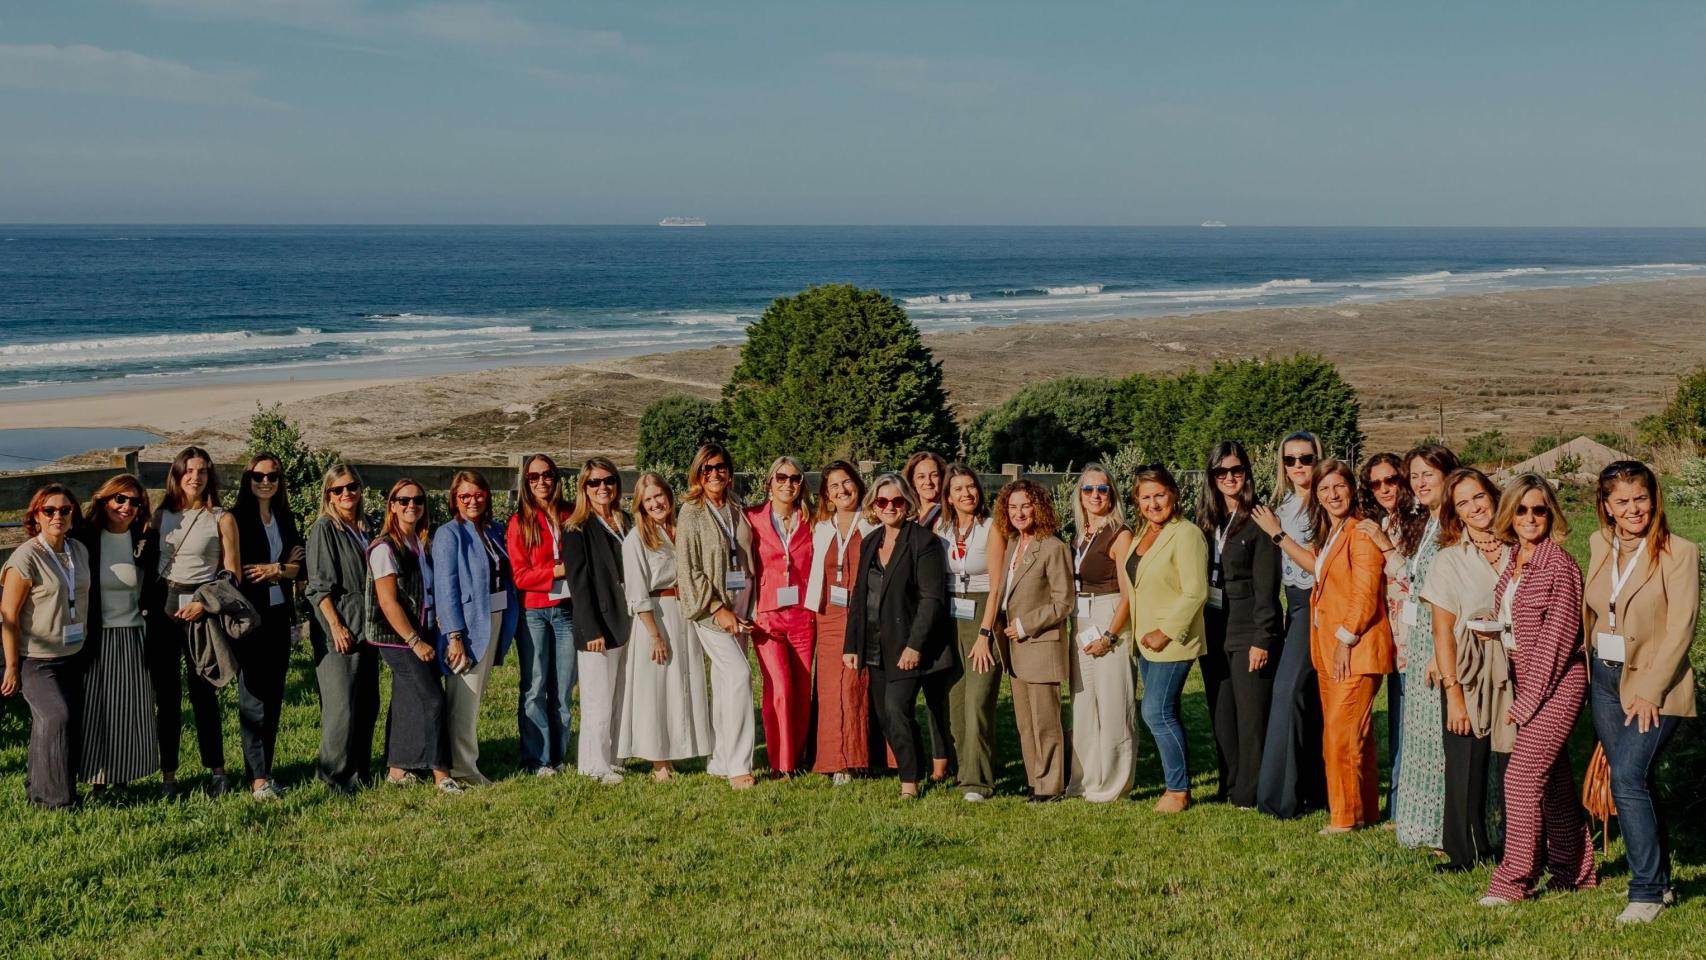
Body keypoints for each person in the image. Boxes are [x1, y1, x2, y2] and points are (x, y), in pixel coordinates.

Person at [1582, 461, 1699, 924]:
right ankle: (1662, 882)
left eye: (1641, 498)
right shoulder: (1599, 544)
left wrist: (1650, 691)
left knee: (1628, 778)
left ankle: (1645, 891)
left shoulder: (1679, 552)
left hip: (1655, 686)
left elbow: (1681, 629)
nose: (1634, 509)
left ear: (1655, 498)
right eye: (1623, 501)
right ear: (1606, 506)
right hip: (1605, 680)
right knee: (1636, 782)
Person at [1481, 474, 1595, 906]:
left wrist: (1528, 702)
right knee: (1555, 783)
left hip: (1558, 684)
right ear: (1509, 513)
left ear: (1551, 514)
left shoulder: (1559, 565)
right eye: (1522, 509)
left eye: (1539, 510)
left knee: (1521, 777)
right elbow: (1517, 620)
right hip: (1524, 677)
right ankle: (1574, 872)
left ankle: (1513, 882)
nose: (1530, 518)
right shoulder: (1515, 557)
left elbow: (1558, 641)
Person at [1418, 467, 1513, 872]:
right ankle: (1464, 851)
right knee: (1465, 764)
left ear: (1493, 495)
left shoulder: (1521, 547)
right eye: (1463, 503)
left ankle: (1520, 844)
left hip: (1516, 665)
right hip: (1470, 669)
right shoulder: (1449, 560)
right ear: (1454, 512)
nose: (1474, 507)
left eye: (1479, 497)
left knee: (1515, 762)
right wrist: (1453, 694)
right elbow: (1442, 631)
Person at [843, 474, 958, 799]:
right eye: (882, 501)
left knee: (896, 709)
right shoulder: (870, 542)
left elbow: (931, 599)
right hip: (874, 644)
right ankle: (916, 765)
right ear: (874, 505)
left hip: (907, 644)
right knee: (885, 715)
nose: (889, 506)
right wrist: (852, 644)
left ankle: (910, 781)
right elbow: (859, 595)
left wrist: (914, 645)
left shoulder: (924, 542)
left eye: (896, 501)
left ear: (907, 504)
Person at [1369, 443, 1459, 850]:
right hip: (1421, 638)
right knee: (1422, 738)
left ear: (1448, 476)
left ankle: (1447, 827)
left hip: (1439, 640)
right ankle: (1425, 824)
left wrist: (1443, 652)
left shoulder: (1451, 527)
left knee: (1440, 740)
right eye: (1415, 475)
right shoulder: (1430, 524)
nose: (1420, 483)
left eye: (1429, 475)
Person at [1299, 460, 1394, 833]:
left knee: (1339, 736)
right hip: (1327, 648)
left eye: (1339, 486)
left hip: (1354, 648)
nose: (1332, 494)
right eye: (1324, 489)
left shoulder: (1361, 532)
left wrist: (1345, 639)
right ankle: (1365, 810)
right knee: (1357, 735)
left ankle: (1344, 818)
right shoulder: (1331, 533)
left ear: (1353, 489)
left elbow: (1365, 594)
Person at [149, 446, 242, 798]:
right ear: (177, 474)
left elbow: (232, 572)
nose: (195, 477)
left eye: (202, 471)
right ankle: (168, 777)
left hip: (202, 609)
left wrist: (205, 603)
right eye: (188, 470)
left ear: (209, 476)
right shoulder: (162, 515)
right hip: (165, 608)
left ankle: (217, 772)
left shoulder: (221, 517)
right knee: (167, 697)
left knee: (204, 693)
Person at [1196, 443, 1281, 810]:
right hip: (1214, 625)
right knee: (1222, 712)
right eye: (1221, 472)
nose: (1229, 477)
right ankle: (1228, 784)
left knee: (1251, 715)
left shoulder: (1259, 518)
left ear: (1247, 473)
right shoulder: (1205, 519)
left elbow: (1267, 585)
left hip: (1249, 626)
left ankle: (1251, 791)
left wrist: (1263, 637)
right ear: (1211, 477)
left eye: (1237, 470)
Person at [1250, 430, 1328, 818]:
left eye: (1306, 458)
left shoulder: (1325, 505)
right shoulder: (1283, 505)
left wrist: (1277, 534)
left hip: (1316, 605)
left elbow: (1319, 566)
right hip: (1293, 606)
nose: (1298, 466)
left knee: (1288, 692)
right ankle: (1312, 789)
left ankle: (1279, 798)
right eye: (1290, 459)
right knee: (1305, 698)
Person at [1, 485, 93, 808]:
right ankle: (56, 801)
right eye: (49, 510)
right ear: (36, 516)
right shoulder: (25, 557)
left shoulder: (78, 551)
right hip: (36, 659)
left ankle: (39, 788)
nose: (57, 516)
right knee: (56, 716)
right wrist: (12, 666)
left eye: (65, 510)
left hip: (73, 654)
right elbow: (8, 614)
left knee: (63, 722)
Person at [365, 479, 459, 794]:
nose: (411, 505)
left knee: (407, 698)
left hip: (424, 629)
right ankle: (441, 773)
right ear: (391, 505)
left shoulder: (420, 542)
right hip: (398, 637)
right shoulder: (384, 548)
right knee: (433, 700)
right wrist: (414, 641)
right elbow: (387, 602)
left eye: (418, 500)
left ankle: (397, 769)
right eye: (403, 500)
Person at [1125, 465, 1209, 812]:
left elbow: (1195, 591)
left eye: (1160, 494)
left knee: (1156, 712)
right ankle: (1174, 783)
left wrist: (1166, 632)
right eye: (1146, 497)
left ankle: (1178, 790)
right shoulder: (1142, 532)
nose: (1154, 503)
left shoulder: (1187, 534)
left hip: (1171, 640)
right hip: (1144, 641)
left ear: (1173, 494)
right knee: (1165, 711)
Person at [618, 472, 711, 781]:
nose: (655, 503)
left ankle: (683, 747)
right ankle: (659, 762)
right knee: (656, 689)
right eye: (648, 500)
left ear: (668, 496)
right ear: (640, 505)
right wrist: (654, 634)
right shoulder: (637, 539)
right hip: (655, 617)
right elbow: (636, 591)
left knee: (682, 683)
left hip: (685, 613)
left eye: (658, 495)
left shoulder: (681, 530)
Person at [676, 443, 758, 789]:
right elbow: (689, 568)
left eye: (720, 467)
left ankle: (721, 759)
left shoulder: (736, 505)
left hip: (741, 603)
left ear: (729, 471)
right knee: (739, 676)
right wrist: (716, 608)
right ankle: (740, 766)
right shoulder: (691, 512)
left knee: (726, 684)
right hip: (711, 609)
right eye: (706, 468)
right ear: (697, 473)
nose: (714, 474)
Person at [431, 469, 518, 787]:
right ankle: (463, 768)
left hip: (494, 618)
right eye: (464, 495)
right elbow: (445, 589)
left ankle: (467, 760)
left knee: (475, 695)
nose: (472, 500)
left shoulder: (493, 530)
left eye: (478, 494)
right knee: (463, 699)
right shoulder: (448, 534)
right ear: (454, 499)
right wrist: (453, 636)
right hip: (467, 627)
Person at [74, 475, 160, 792]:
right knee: (95, 711)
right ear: (104, 500)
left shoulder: (144, 540)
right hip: (96, 636)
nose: (126, 507)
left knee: (128, 712)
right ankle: (97, 779)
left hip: (133, 636)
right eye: (119, 499)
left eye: (134, 502)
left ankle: (123, 777)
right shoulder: (84, 538)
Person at [229, 454, 304, 801]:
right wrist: (281, 569)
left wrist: (277, 570)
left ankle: (265, 771)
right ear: (248, 479)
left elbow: (299, 562)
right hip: (250, 616)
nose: (265, 482)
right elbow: (236, 569)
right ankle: (257, 778)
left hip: (278, 615)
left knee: (273, 696)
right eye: (258, 476)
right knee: (254, 696)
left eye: (272, 477)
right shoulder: (236, 518)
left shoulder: (285, 517)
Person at [994, 477, 1074, 802]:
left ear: (1038, 507)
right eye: (1013, 507)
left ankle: (1051, 786)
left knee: (1045, 723)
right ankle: (1034, 780)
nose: (1019, 512)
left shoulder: (1053, 547)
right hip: (1015, 649)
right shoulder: (1013, 544)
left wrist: (1025, 625)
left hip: (1039, 644)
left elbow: (1063, 602)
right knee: (1025, 724)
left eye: (1025, 505)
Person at [306, 462, 379, 795]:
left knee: (367, 703)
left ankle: (359, 771)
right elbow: (318, 586)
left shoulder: (366, 527)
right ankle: (333, 778)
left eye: (352, 487)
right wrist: (335, 625)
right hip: (341, 626)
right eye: (338, 489)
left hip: (368, 627)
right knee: (341, 707)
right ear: (329, 495)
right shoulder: (325, 529)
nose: (346, 493)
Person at [1065, 463, 1136, 803]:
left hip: (1109, 615)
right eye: (1089, 489)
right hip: (1080, 619)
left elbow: (1128, 594)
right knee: (1083, 705)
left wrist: (1110, 635)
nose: (1095, 495)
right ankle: (1084, 781)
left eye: (1102, 489)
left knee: (1113, 704)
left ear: (1112, 494)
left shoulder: (1120, 534)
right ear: (1079, 495)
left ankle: (1114, 784)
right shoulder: (1078, 535)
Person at [937, 463, 1007, 802]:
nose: (967, 493)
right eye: (958, 489)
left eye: (971, 487)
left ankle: (978, 783)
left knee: (978, 702)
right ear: (948, 497)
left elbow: (996, 588)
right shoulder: (942, 528)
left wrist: (984, 634)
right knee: (957, 704)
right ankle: (966, 772)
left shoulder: (992, 528)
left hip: (982, 614)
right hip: (951, 616)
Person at [505, 453, 577, 777]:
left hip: (566, 611)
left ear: (556, 478)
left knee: (563, 687)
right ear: (526, 482)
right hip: (534, 612)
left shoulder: (571, 514)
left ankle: (558, 755)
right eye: (533, 477)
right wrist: (557, 571)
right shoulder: (519, 522)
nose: (541, 482)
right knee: (535, 686)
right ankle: (536, 759)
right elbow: (520, 576)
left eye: (546, 475)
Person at [806, 461, 877, 786]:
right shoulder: (821, 527)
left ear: (858, 485)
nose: (842, 490)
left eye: (846, 482)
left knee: (857, 683)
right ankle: (837, 761)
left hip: (864, 613)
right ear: (826, 494)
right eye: (834, 486)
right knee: (831, 687)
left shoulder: (873, 523)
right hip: (829, 615)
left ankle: (862, 756)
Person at [1358, 452, 1419, 823]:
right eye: (1375, 483)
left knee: (1412, 728)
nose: (1383, 489)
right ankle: (1397, 806)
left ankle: (1403, 809)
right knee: (1398, 724)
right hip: (1389, 640)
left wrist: (1385, 544)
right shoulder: (1379, 521)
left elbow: (1415, 579)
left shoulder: (1418, 522)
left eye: (1390, 480)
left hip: (1415, 640)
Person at [564, 457, 632, 785]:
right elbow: (578, 585)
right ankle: (593, 765)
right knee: (597, 699)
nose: (602, 487)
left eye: (609, 480)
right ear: (584, 488)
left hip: (628, 618)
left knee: (620, 695)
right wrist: (590, 629)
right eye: (594, 482)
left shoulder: (625, 520)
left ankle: (614, 757)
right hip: (598, 624)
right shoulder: (576, 528)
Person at [747, 456, 815, 777]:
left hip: (803, 615)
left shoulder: (813, 521)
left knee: (801, 690)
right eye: (782, 477)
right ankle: (780, 762)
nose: (788, 483)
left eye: (795, 478)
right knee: (780, 688)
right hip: (767, 616)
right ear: (769, 483)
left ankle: (797, 758)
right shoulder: (752, 519)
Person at [904, 450, 949, 531]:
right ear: (912, 481)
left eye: (934, 475)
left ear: (942, 478)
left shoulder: (950, 514)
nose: (928, 482)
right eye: (921, 477)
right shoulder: (907, 515)